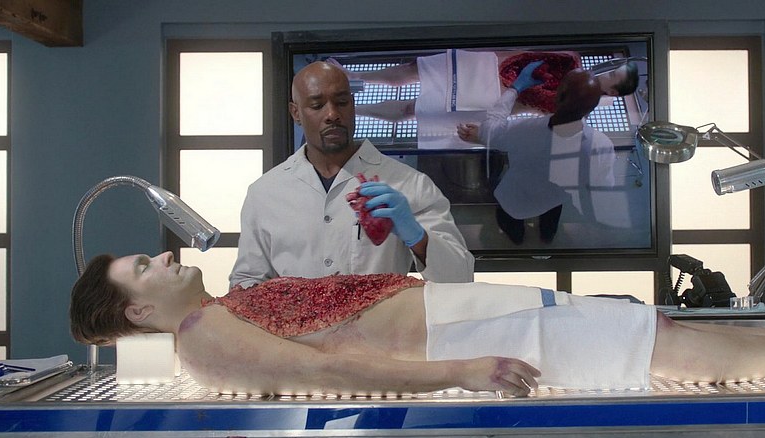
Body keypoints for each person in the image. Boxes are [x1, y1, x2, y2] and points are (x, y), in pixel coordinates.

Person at [72, 251, 765, 397]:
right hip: (459, 338)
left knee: (653, 331)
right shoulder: (203, 336)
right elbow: (321, 371)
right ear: (138, 309)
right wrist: (462, 371)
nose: (162, 256)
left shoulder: (216, 313)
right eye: (143, 266)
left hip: (460, 316)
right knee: (657, 344)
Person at [229, 61, 474, 288]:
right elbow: (246, 281)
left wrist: (416, 236)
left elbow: (460, 277)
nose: (332, 114)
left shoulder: (410, 184)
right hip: (294, 323)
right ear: (296, 113)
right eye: (317, 105)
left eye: (342, 102)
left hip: (378, 321)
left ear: (353, 105)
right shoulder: (266, 193)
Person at [329, 50, 638, 148]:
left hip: (491, 98)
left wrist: (487, 134)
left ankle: (353, 109)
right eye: (612, 67)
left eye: (613, 75)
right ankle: (354, 78)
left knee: (416, 109)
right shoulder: (573, 58)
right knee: (417, 68)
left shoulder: (576, 110)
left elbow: (533, 131)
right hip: (484, 64)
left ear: (613, 92)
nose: (606, 70)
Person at [456, 65, 617, 244]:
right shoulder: (602, 146)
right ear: (592, 109)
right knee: (550, 222)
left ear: (557, 96)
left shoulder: (525, 129)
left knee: (510, 220)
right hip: (554, 198)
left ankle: (517, 239)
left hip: (516, 196)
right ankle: (547, 237)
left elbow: (490, 131)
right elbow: (603, 185)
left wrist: (515, 88)